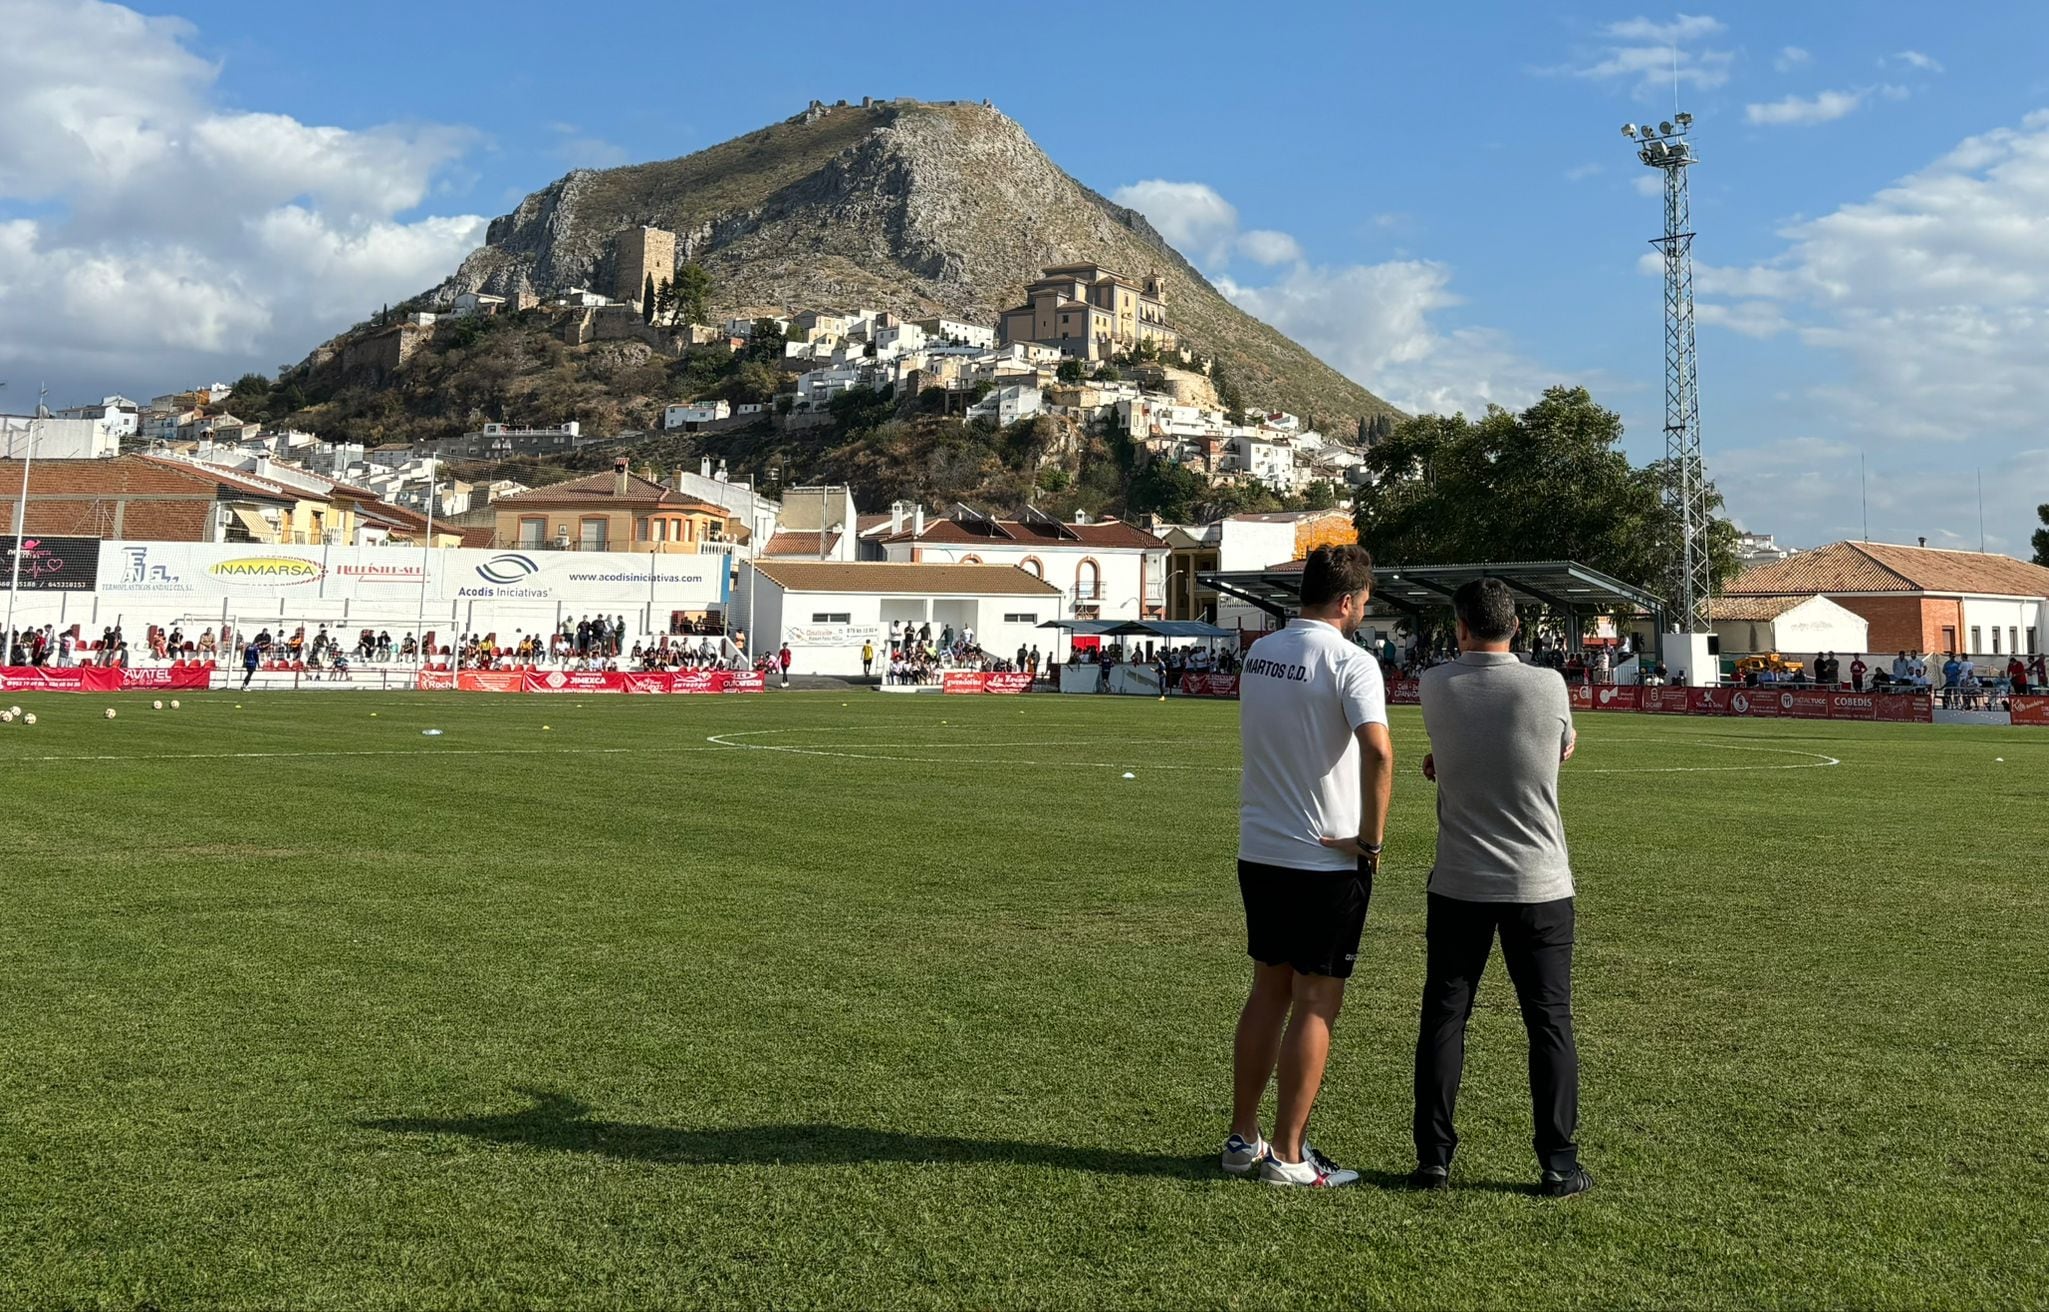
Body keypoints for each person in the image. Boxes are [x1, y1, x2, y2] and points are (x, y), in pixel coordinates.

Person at [1412, 577, 1590, 1198]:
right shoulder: (1548, 685)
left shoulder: (1434, 685)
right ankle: (1558, 1163)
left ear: (1460, 626)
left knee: (1445, 1017)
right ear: (1515, 626)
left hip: (1459, 879)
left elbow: (1449, 751)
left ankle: (1434, 1158)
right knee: (1549, 1023)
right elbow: (1562, 748)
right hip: (1539, 880)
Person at [1226, 544, 1392, 1189]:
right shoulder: (1352, 661)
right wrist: (1370, 841)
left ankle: (1245, 1138)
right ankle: (1290, 1156)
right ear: (1349, 602)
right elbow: (1379, 751)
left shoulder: (1260, 653)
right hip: (1323, 857)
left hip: (1261, 847)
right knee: (1317, 1000)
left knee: (1269, 988)